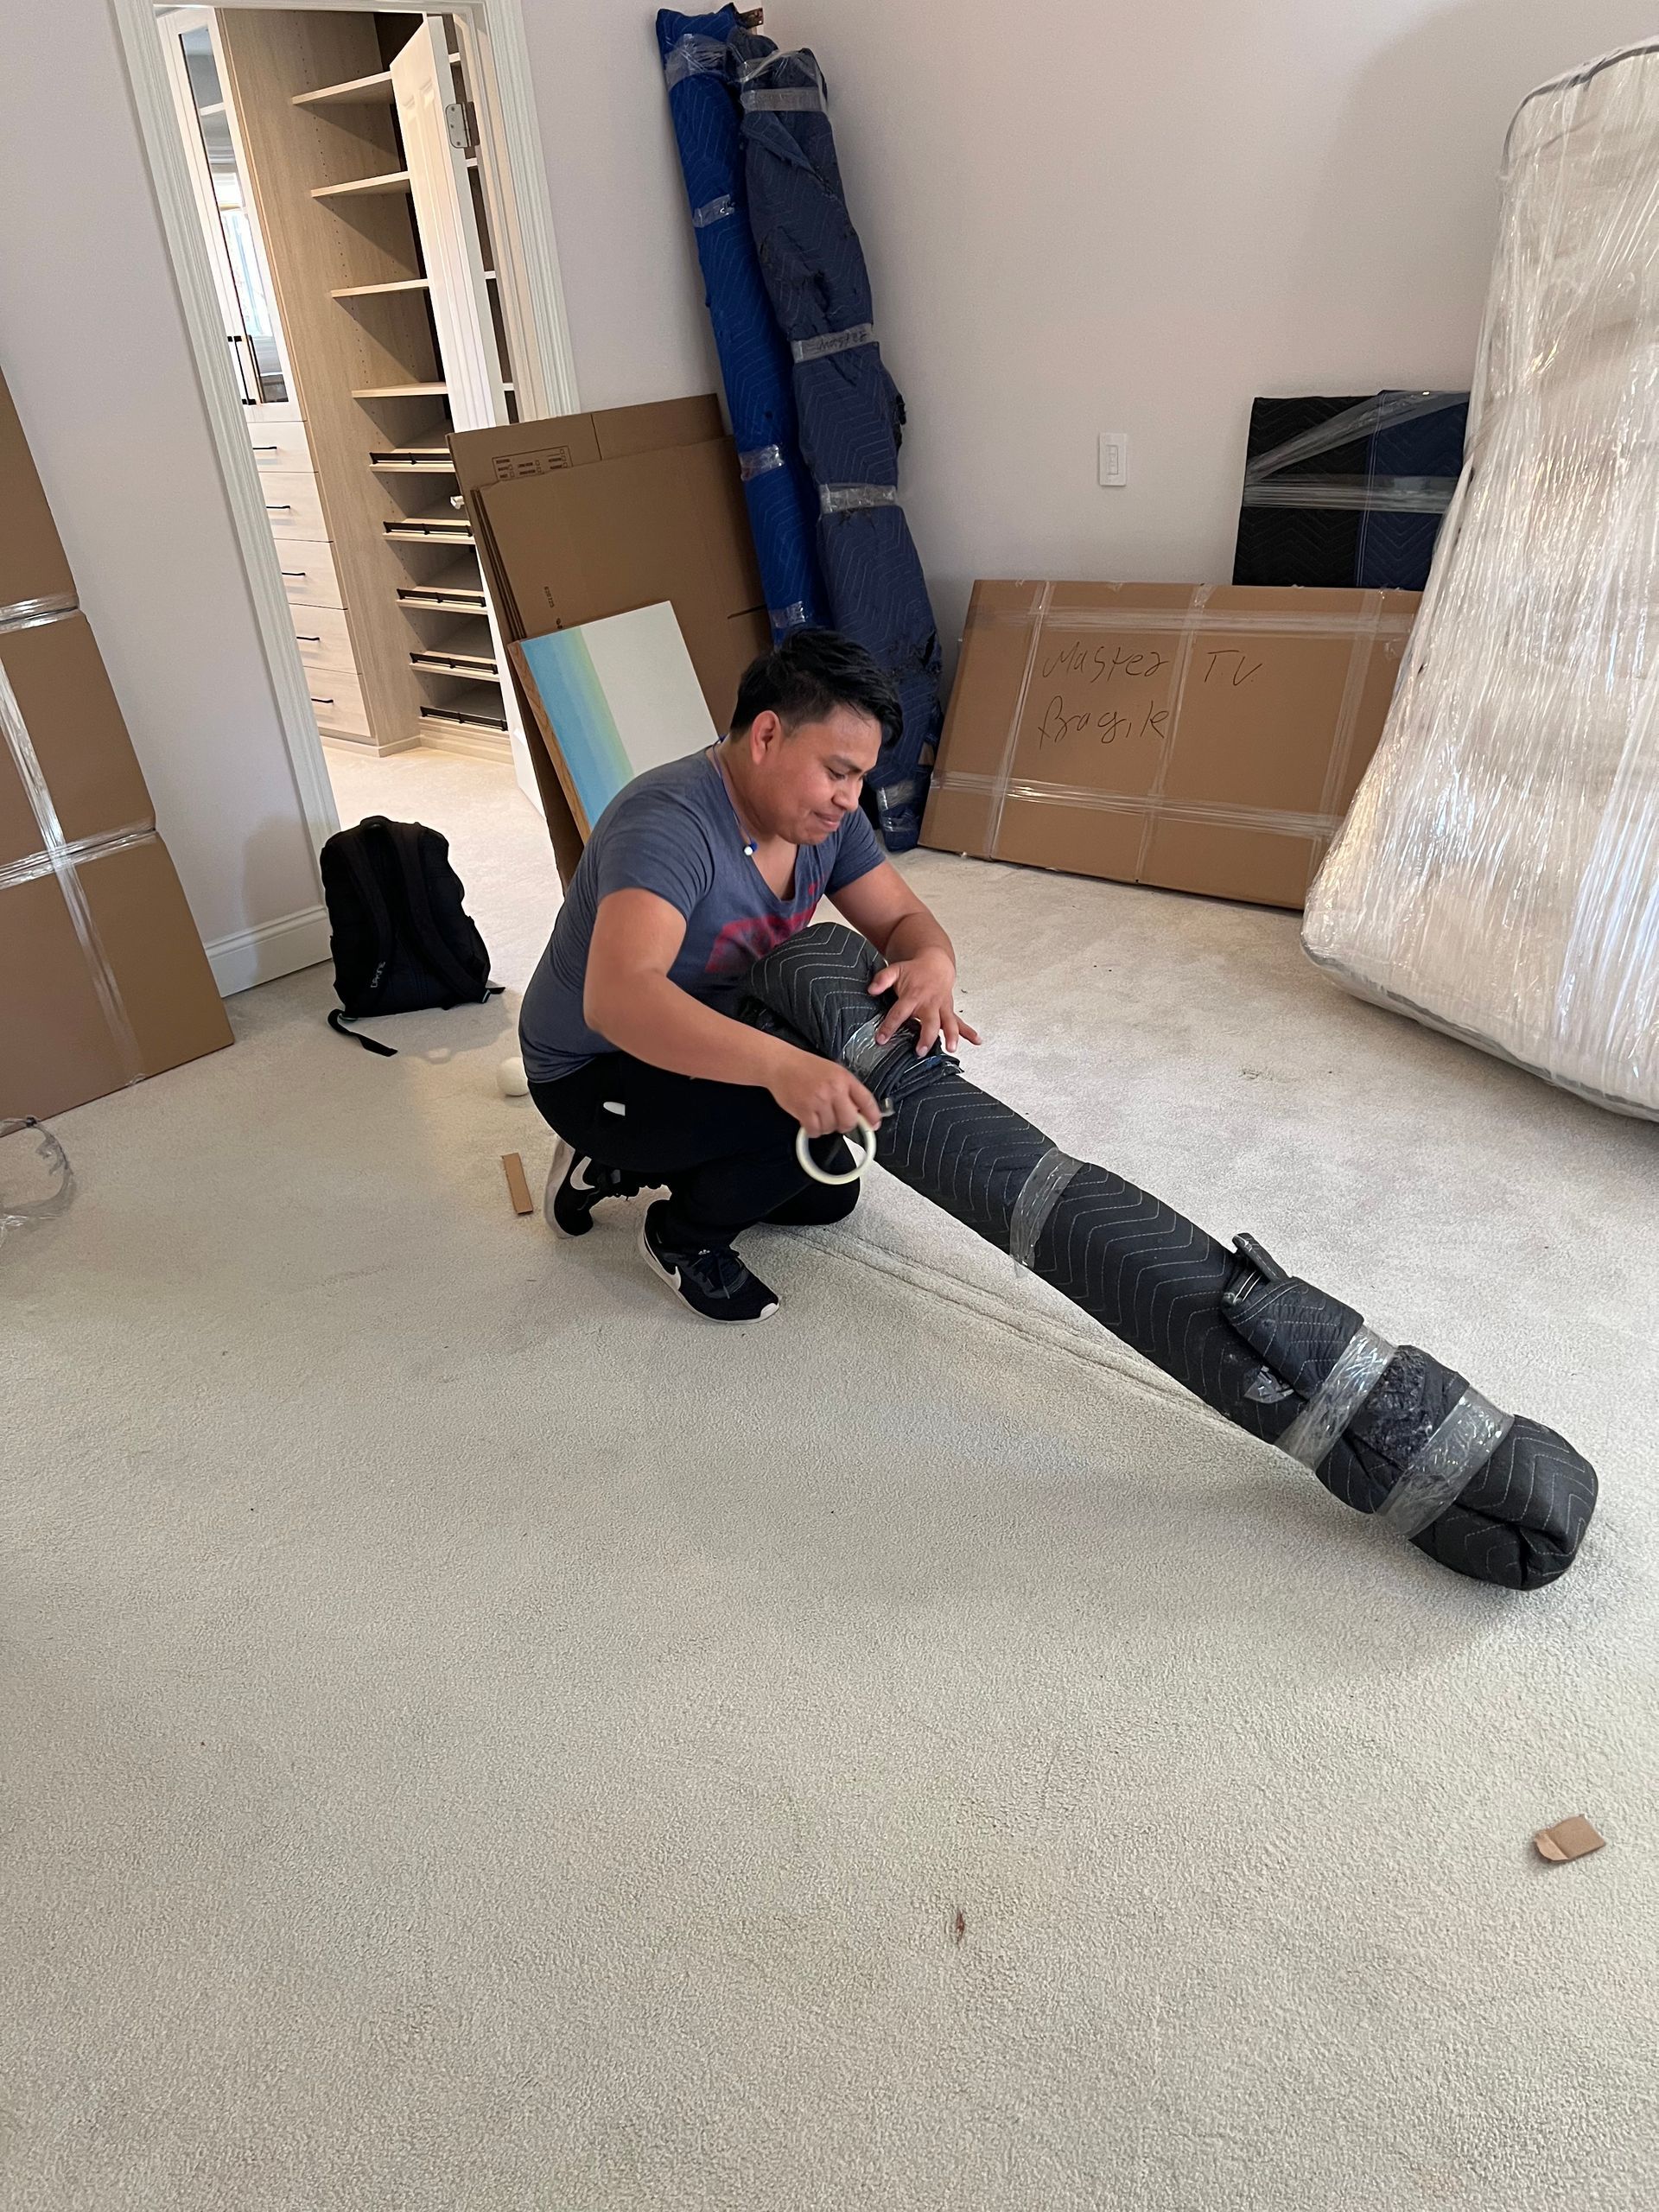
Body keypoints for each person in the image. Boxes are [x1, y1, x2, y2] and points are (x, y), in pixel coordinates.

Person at [519, 628, 979, 1323]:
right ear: (766, 736)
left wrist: (933, 965)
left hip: (706, 1034)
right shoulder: (667, 826)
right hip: (593, 1067)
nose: (850, 798)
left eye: (860, 777)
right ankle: (681, 1239)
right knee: (801, 1123)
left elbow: (903, 921)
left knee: (829, 1192)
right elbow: (619, 1000)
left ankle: (621, 1165)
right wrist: (783, 1068)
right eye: (837, 771)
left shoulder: (824, 821)